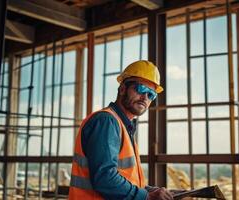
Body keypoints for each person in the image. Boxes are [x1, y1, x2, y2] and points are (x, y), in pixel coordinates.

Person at [69, 60, 174, 200]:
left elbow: (125, 177)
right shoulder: (106, 121)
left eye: (151, 95)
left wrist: (147, 190)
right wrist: (146, 197)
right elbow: (105, 178)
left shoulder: (124, 126)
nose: (145, 98)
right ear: (123, 88)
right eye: (141, 89)